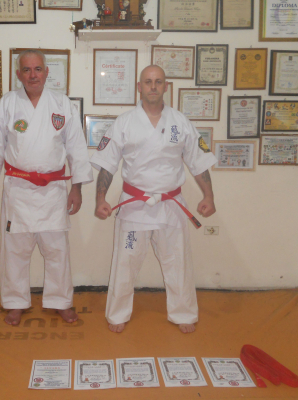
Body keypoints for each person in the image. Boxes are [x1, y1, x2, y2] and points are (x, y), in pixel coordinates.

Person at [90, 65, 217, 334]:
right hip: (134, 205)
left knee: (178, 262)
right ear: (139, 87)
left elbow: (199, 161)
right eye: (148, 81)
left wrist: (209, 195)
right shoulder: (124, 122)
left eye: (158, 81)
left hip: (171, 205)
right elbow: (107, 165)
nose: (153, 86)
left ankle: (183, 313)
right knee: (125, 261)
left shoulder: (180, 122)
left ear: (166, 86)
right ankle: (117, 313)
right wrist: (100, 198)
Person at [0, 49, 93, 326]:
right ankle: (15, 302)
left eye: (38, 69)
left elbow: (76, 148)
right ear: (19, 74)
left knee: (57, 251)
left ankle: (61, 301)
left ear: (46, 72)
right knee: (15, 251)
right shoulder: (7, 104)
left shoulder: (62, 104)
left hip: (53, 190)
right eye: (27, 70)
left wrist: (77, 188)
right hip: (17, 189)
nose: (33, 75)